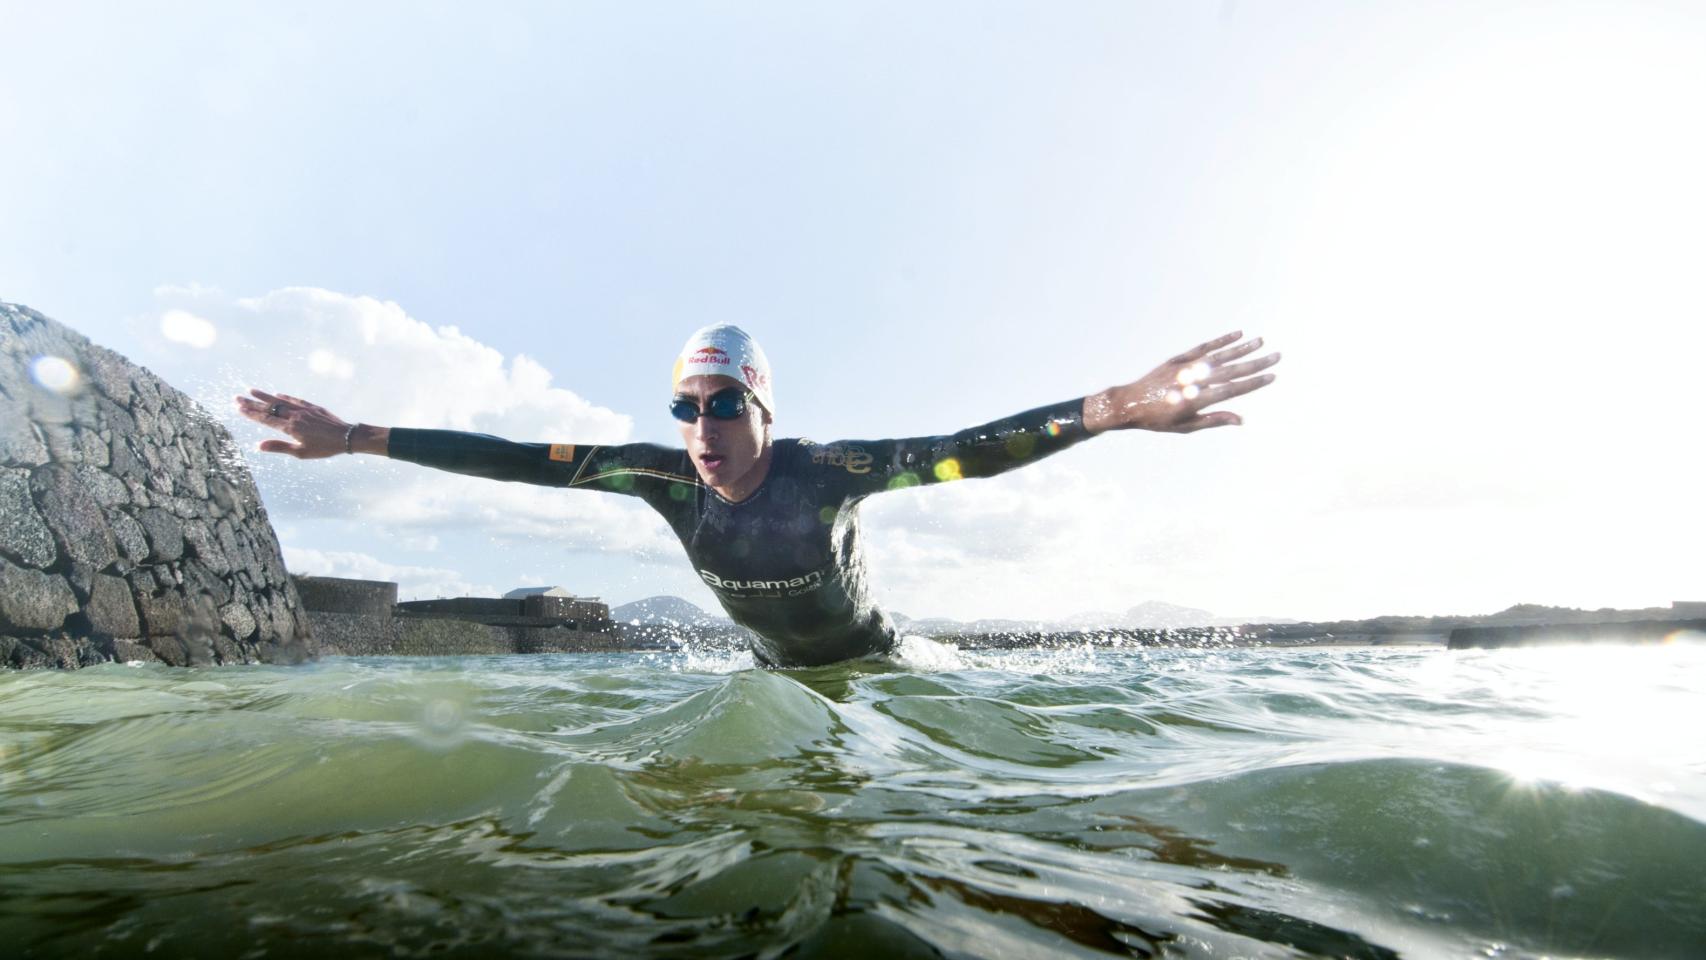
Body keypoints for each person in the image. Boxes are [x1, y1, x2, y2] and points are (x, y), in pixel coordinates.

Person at [237, 326, 1278, 667]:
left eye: (725, 406)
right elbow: (510, 457)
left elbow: (965, 452)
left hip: (878, 668)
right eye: (687, 409)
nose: (703, 432)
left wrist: (1110, 406)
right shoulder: (658, 479)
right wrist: (358, 437)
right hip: (775, 675)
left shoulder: (823, 473)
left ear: (766, 412)